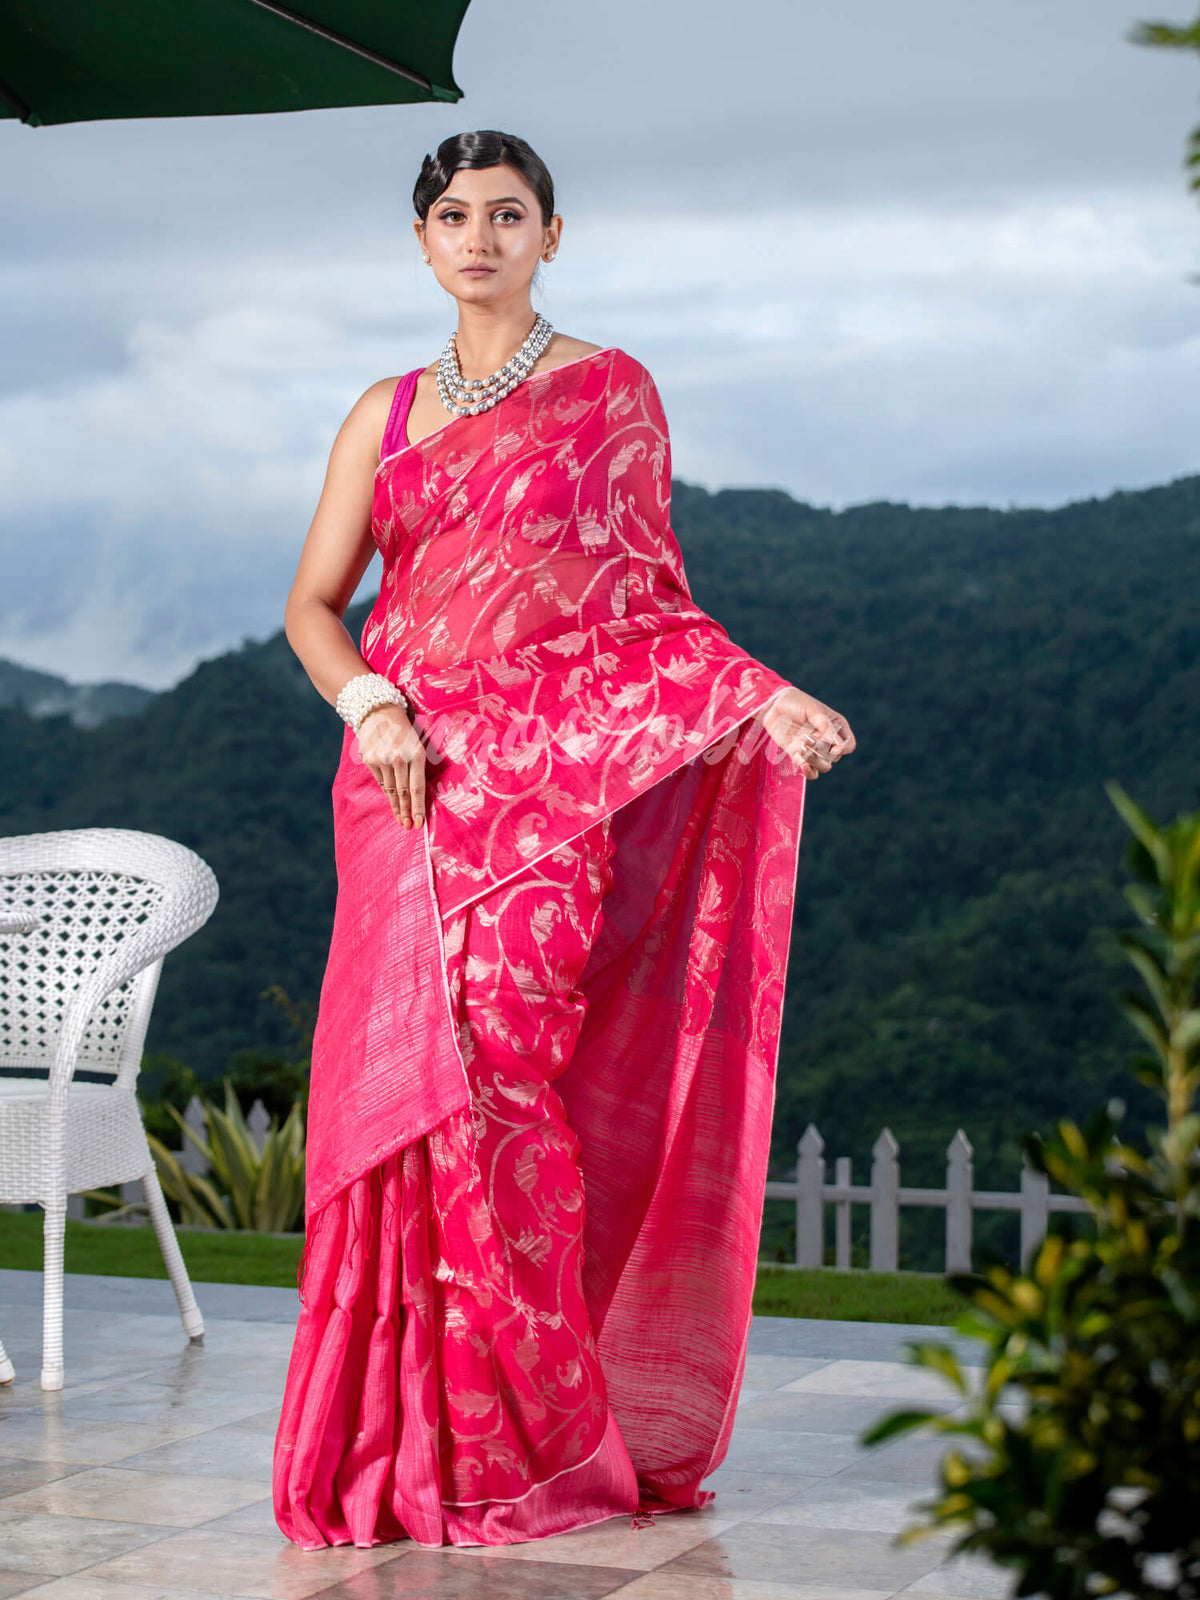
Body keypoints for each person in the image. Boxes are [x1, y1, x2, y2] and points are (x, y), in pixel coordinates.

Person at [272, 128, 855, 1552]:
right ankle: (393, 1442)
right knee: (404, 1110)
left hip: (549, 799)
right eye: (452, 214)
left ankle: (519, 1439)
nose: (478, 236)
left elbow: (649, 609)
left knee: (505, 1099)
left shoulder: (611, 393)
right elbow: (313, 606)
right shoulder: (384, 414)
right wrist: (371, 706)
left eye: (506, 213)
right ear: (422, 239)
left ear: (550, 234)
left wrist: (759, 696)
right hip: (406, 792)